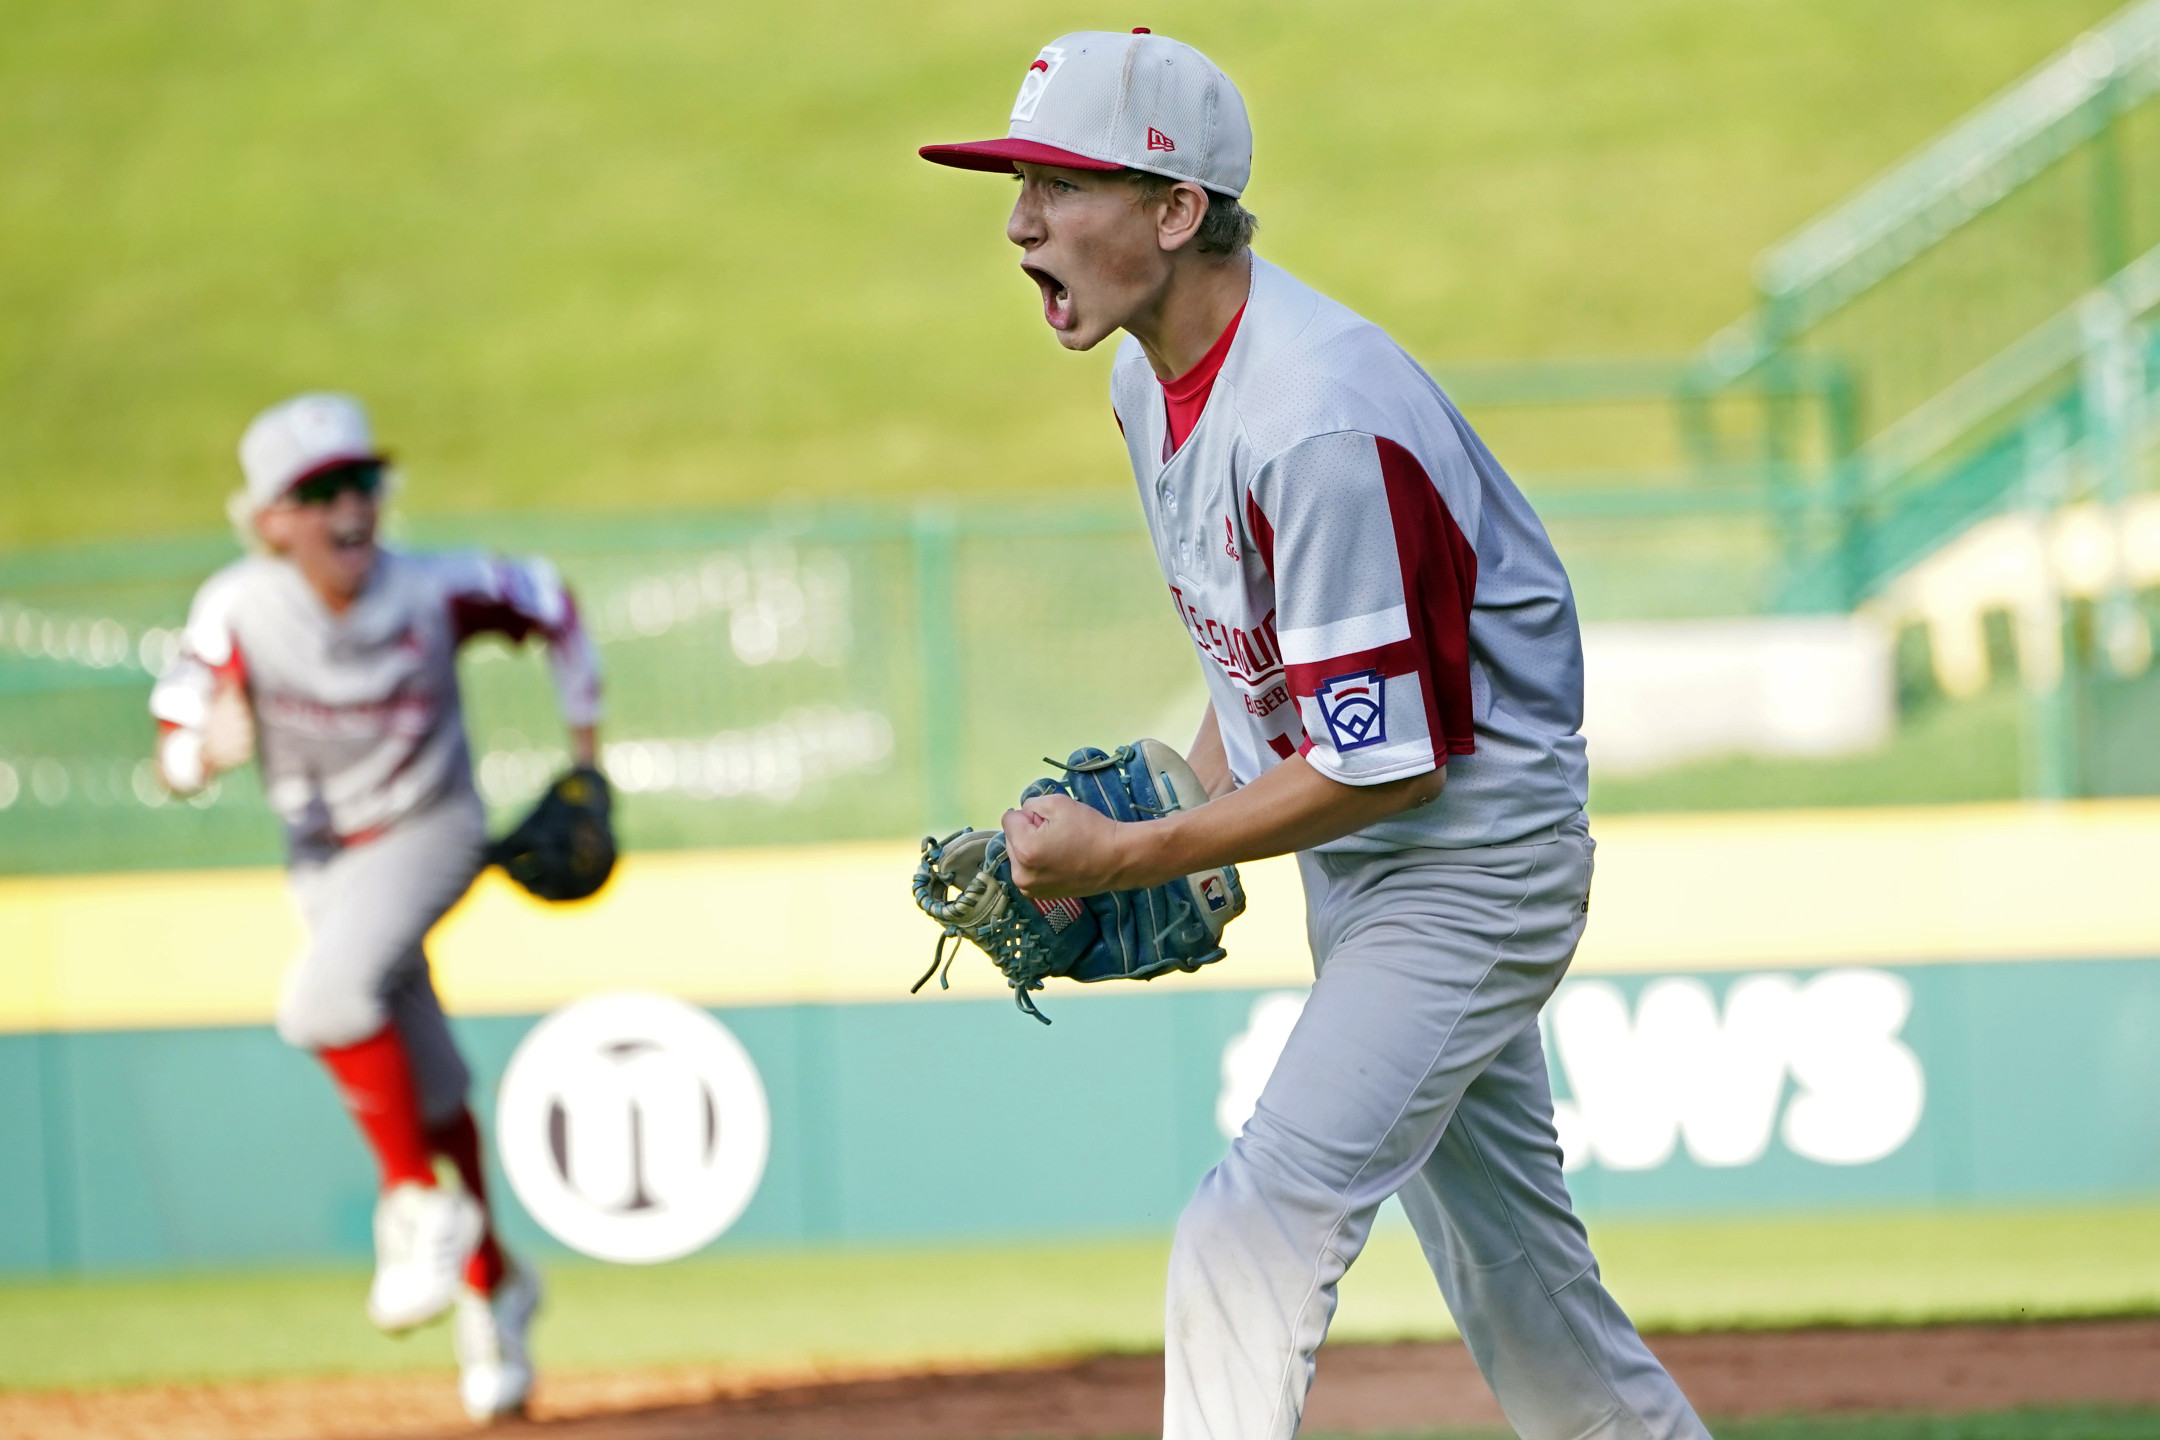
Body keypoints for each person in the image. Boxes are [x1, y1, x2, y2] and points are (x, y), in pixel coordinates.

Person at [920, 31, 1711, 1440]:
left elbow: (1385, 757)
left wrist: (1137, 854)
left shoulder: (1316, 418)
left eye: (1061, 183)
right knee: (1518, 1276)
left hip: (1471, 864)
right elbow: (1287, 685)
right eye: (1018, 184)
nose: (1020, 221)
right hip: (1379, 860)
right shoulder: (1144, 382)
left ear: (1176, 210)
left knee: (1250, 1234)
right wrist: (1182, 800)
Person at [150, 393, 601, 1422]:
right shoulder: (239, 606)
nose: (347, 506)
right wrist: (195, 757)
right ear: (270, 519)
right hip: (323, 863)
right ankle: (495, 1286)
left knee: (320, 1003)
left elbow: (556, 605)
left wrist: (588, 763)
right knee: (433, 1087)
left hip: (432, 828)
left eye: (359, 482)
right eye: (316, 492)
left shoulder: (433, 588)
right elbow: (175, 730)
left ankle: (412, 1205)